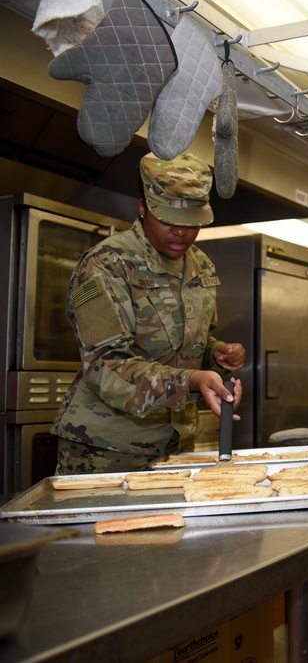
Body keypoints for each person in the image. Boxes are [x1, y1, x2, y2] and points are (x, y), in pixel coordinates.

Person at [52, 151, 245, 474]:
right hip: (107, 448)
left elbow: (189, 342)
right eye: (169, 219)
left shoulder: (201, 265)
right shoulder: (107, 264)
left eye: (191, 222)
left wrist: (215, 354)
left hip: (176, 441)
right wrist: (192, 381)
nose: (182, 232)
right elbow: (106, 365)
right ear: (142, 207)